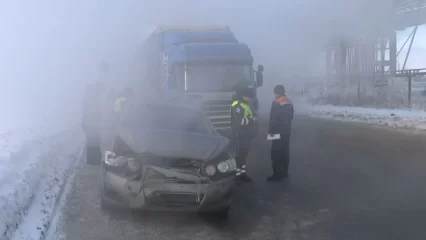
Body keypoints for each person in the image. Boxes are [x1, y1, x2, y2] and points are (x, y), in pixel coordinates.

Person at [82, 61, 109, 164]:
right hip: (91, 123)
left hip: (90, 123)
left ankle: (93, 161)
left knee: (93, 142)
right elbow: (93, 109)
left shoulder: (90, 95)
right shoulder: (93, 96)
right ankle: (94, 161)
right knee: (94, 142)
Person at [230, 87, 258, 184]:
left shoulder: (244, 105)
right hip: (239, 135)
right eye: (250, 97)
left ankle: (243, 174)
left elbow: (249, 115)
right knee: (239, 155)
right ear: (245, 96)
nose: (251, 99)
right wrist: (252, 120)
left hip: (246, 134)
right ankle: (237, 176)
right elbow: (239, 121)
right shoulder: (237, 106)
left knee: (244, 155)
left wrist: (253, 116)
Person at [267, 85, 294, 181]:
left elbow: (273, 119)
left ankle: (276, 175)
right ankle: (285, 172)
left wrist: (270, 132)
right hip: (287, 131)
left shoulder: (276, 102)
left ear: (276, 92)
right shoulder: (288, 101)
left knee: (275, 153)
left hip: (277, 131)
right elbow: (291, 116)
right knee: (285, 151)